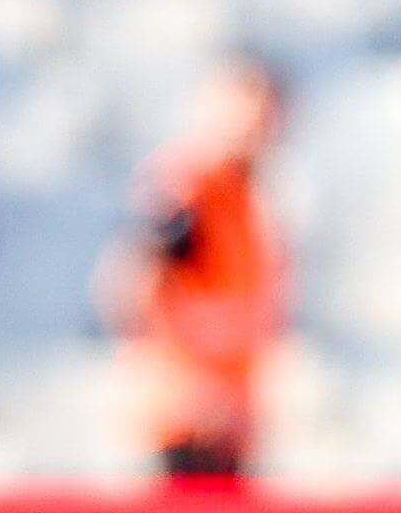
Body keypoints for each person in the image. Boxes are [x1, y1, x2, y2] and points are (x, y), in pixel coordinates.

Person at [105, 55, 286, 486]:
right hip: (188, 417)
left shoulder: (243, 195)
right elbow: (135, 283)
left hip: (229, 417)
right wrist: (196, 385)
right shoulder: (191, 188)